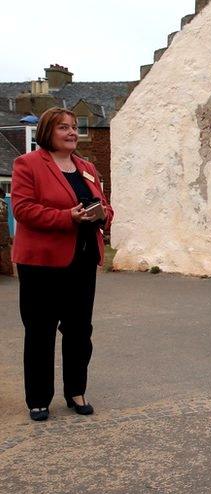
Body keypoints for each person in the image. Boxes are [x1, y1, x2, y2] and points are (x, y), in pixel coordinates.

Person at [10, 107, 113, 421]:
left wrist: (103, 215)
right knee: (40, 331)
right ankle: (39, 398)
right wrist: (66, 217)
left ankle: (76, 391)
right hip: (41, 264)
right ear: (46, 133)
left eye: (73, 127)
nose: (71, 133)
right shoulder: (27, 164)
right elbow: (23, 209)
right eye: (63, 128)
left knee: (80, 330)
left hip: (81, 261)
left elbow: (105, 206)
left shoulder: (87, 167)